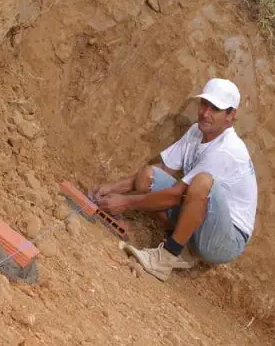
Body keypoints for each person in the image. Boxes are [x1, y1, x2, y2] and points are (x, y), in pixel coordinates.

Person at [91, 78, 258, 281]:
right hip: (202, 221)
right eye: (204, 104)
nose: (205, 113)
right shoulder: (197, 131)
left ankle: (166, 257)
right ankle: (184, 247)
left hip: (226, 240)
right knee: (148, 175)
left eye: (215, 109)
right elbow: (163, 169)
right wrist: (112, 188)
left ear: (231, 115)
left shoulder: (227, 150)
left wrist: (125, 202)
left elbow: (176, 195)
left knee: (203, 182)